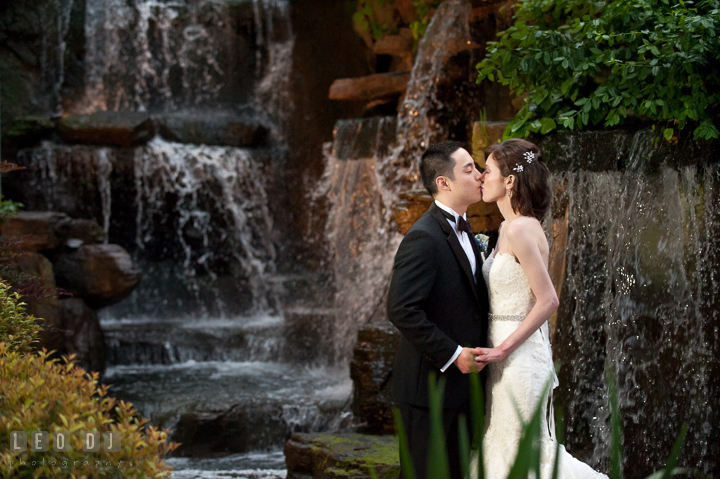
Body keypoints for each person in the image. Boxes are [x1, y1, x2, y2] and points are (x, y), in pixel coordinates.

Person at [472, 138, 607, 479]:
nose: (480, 178)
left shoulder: (520, 228)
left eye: (487, 171)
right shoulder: (506, 227)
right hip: (502, 356)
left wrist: (503, 348)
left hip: (518, 358)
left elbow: (548, 300)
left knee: (526, 452)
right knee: (503, 448)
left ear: (510, 181)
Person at [387, 141, 490, 479]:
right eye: (469, 169)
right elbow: (401, 309)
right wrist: (453, 353)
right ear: (444, 183)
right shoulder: (423, 237)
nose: (480, 174)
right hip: (428, 390)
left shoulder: (465, 228)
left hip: (461, 390)